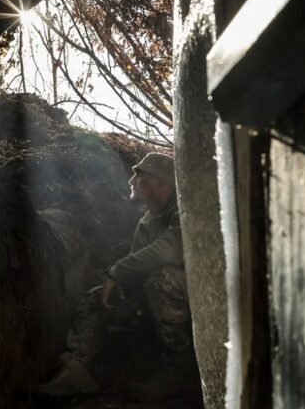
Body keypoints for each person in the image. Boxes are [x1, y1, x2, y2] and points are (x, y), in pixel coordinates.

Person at [35, 152, 199, 401]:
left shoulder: (186, 209)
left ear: (162, 183)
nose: (132, 180)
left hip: (194, 310)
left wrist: (117, 270)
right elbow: (135, 272)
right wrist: (118, 285)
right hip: (154, 310)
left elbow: (172, 248)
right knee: (95, 298)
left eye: (140, 174)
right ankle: (75, 370)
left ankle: (179, 370)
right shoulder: (146, 222)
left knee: (162, 279)